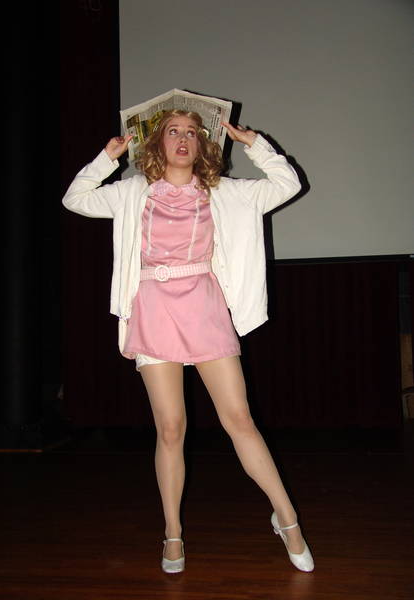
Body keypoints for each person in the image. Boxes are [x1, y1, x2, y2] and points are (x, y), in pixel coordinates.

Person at [62, 109, 314, 574]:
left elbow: (287, 185)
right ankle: (173, 532)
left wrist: (255, 144)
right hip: (153, 310)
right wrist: (106, 158)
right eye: (173, 131)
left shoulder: (225, 192)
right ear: (157, 143)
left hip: (204, 307)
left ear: (202, 144)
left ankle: (288, 519)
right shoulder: (132, 192)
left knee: (239, 419)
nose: (182, 139)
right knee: (171, 428)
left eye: (191, 133)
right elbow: (75, 198)